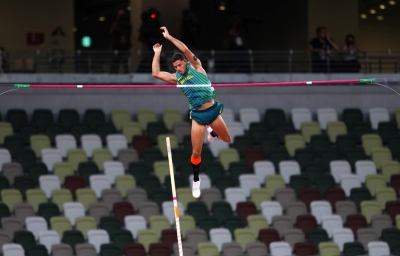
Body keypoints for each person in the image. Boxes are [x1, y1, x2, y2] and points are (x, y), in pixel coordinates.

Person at [152, 27, 231, 198]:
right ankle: (196, 180)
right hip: (198, 116)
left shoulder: (196, 66)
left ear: (186, 62)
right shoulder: (177, 78)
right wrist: (157, 53)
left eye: (179, 64)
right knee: (196, 152)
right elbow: (156, 73)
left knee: (226, 139)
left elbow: (185, 50)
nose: (178, 68)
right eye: (175, 66)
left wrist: (169, 37)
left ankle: (212, 131)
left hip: (212, 110)